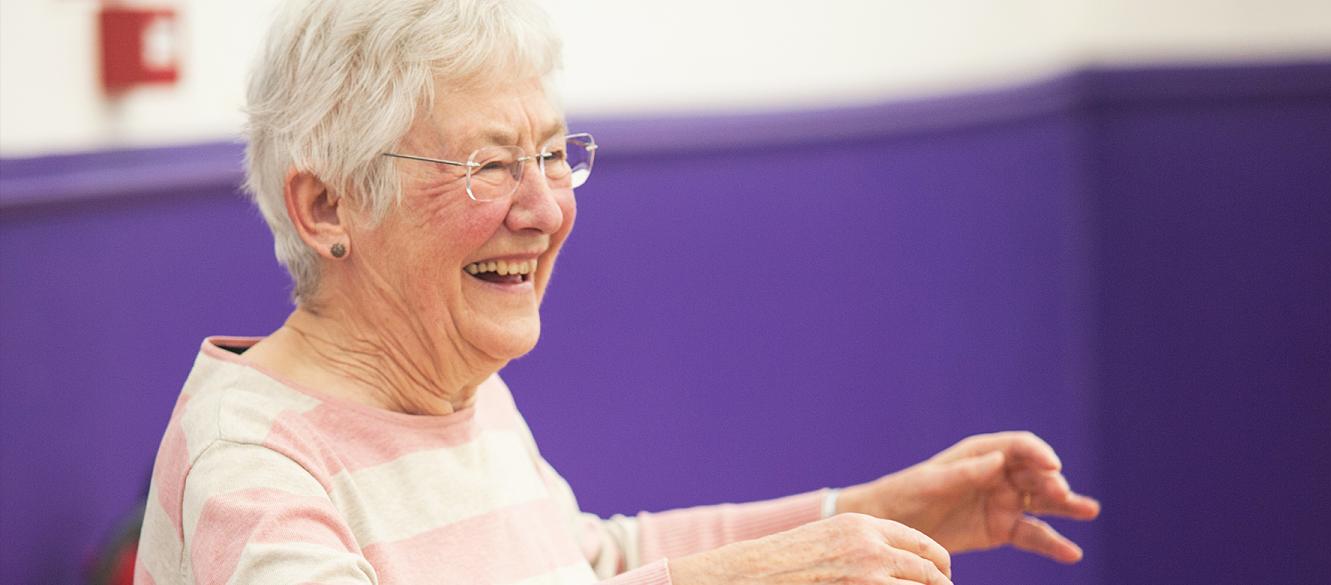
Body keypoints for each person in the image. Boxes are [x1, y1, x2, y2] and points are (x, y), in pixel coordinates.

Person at [134, 1, 1100, 583]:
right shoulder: (252, 465)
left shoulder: (455, 391)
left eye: (554, 156)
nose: (547, 208)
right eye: (492, 164)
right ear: (326, 204)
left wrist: (878, 510)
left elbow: (582, 562)